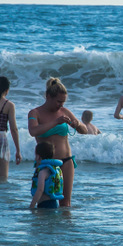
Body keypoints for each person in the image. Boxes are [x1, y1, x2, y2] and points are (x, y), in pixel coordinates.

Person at [28, 77, 84, 207]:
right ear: (48, 96)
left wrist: (78, 124)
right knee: (45, 201)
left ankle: (65, 226)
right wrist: (56, 122)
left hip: (66, 161)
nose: (61, 105)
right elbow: (33, 131)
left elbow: (84, 130)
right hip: (45, 164)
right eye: (59, 101)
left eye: (63, 102)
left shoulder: (64, 111)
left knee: (65, 202)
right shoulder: (35, 112)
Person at [29, 141, 65, 210]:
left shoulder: (42, 172)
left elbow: (40, 190)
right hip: (53, 203)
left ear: (38, 157)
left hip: (45, 205)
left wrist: (32, 205)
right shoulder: (53, 170)